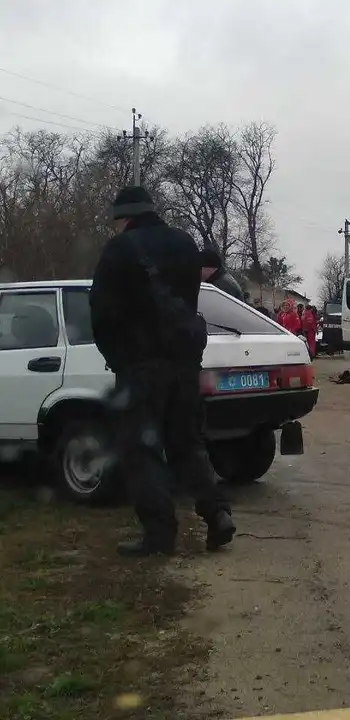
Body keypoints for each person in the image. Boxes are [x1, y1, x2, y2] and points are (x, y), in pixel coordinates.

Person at [89, 186, 235, 557]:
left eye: (116, 220)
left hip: (141, 367)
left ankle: (159, 536)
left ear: (124, 217)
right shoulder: (185, 244)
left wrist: (118, 358)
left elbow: (101, 314)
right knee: (186, 444)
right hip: (185, 363)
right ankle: (217, 512)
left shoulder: (119, 250)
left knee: (141, 449)